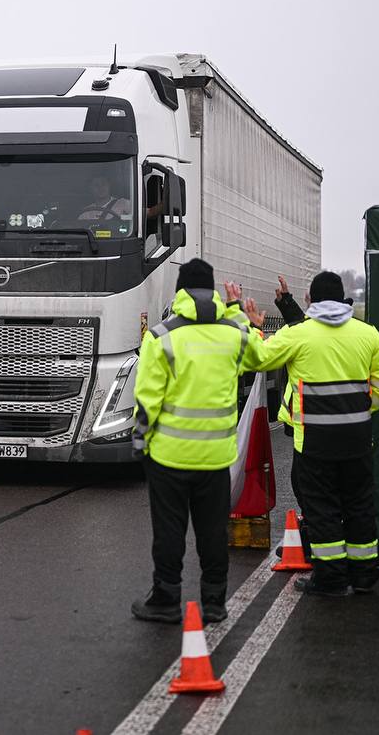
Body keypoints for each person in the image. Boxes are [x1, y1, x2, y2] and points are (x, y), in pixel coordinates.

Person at [239, 271, 379, 596]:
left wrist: (254, 327)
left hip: (314, 441)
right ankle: (365, 573)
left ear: (311, 298)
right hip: (357, 438)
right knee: (359, 504)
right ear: (342, 298)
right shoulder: (368, 334)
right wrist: (363, 410)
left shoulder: (299, 334)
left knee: (321, 507)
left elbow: (258, 358)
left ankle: (332, 579)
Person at [131, 258, 263, 624]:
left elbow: (147, 402)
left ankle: (166, 600)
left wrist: (140, 443)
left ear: (180, 292)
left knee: (169, 532)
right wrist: (240, 316)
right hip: (216, 458)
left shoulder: (159, 337)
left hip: (169, 457)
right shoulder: (233, 336)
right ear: (213, 291)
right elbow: (259, 356)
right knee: (213, 532)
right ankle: (215, 602)